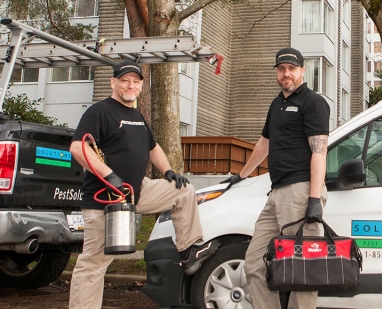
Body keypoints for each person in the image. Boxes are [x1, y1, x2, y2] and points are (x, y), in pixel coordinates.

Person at [68, 61, 219, 309]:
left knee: (183, 190)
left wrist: (168, 170)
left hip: (137, 191)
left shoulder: (136, 116)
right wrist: (110, 176)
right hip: (104, 200)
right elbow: (78, 147)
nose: (131, 85)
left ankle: (188, 251)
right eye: (125, 80)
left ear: (140, 86)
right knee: (94, 263)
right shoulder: (100, 112)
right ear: (113, 82)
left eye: (136, 81)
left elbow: (152, 147)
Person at [223, 47, 330, 309]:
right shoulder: (277, 103)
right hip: (277, 192)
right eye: (281, 69)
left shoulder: (313, 102)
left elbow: (319, 151)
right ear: (276, 72)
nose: (286, 74)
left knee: (303, 269)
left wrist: (314, 199)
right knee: (255, 261)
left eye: (292, 69)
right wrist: (241, 174)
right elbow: (263, 144)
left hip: (301, 192)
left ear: (302, 71)